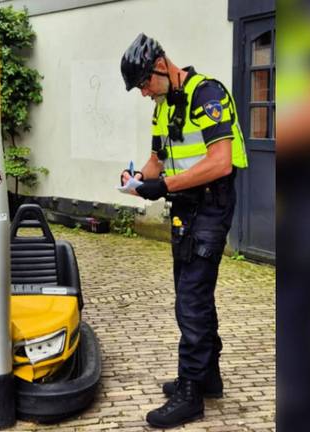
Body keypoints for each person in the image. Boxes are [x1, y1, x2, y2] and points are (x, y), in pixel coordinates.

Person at [119, 33, 248, 428]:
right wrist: (139, 178)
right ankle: (207, 376)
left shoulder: (206, 93)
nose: (143, 93)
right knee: (190, 292)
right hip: (186, 208)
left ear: (162, 64)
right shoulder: (162, 106)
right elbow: (159, 159)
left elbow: (220, 162)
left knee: (191, 298)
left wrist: (165, 187)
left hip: (211, 203)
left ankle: (190, 393)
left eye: (144, 83)